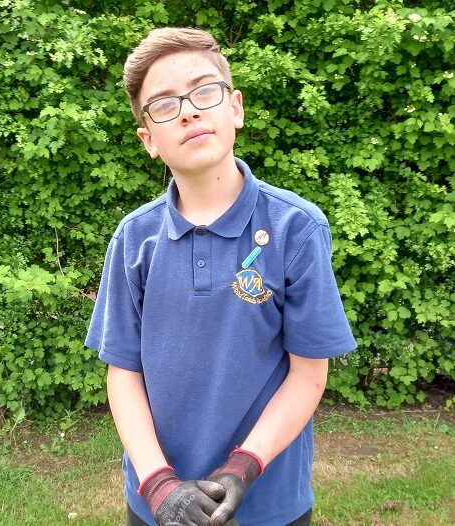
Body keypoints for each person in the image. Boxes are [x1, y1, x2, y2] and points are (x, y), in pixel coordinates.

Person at [85, 27, 357, 526]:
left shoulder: (296, 228)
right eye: (163, 105)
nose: (188, 111)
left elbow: (308, 374)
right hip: (153, 503)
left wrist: (242, 468)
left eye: (203, 91)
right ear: (148, 140)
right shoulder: (134, 238)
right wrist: (158, 485)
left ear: (235, 108)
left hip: (269, 504)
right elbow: (123, 374)